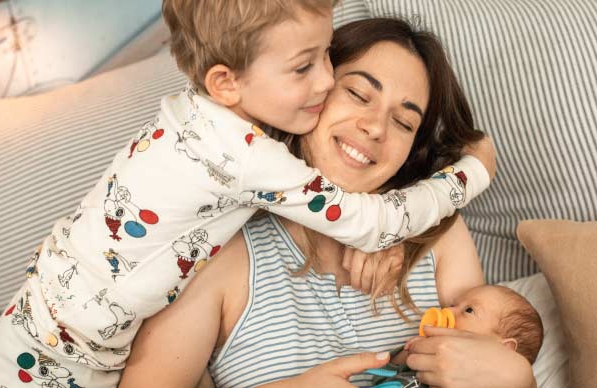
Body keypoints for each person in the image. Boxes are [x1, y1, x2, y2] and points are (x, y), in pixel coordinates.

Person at [0, 1, 495, 388]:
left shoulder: (201, 123)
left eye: (405, 121)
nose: (322, 83)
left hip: (59, 321)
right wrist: (472, 171)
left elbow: (503, 338)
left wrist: (408, 234)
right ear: (230, 81)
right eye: (347, 87)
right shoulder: (243, 172)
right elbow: (368, 220)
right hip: (62, 346)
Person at [120, 18, 533, 388]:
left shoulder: (438, 236)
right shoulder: (216, 249)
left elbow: (492, 354)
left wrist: (518, 378)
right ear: (309, 90)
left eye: (404, 122)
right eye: (357, 93)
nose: (374, 127)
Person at [370, 284, 544, 387]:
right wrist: (406, 356)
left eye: (469, 310)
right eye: (453, 305)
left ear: (503, 350)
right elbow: (376, 379)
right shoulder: (418, 362)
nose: (447, 310)